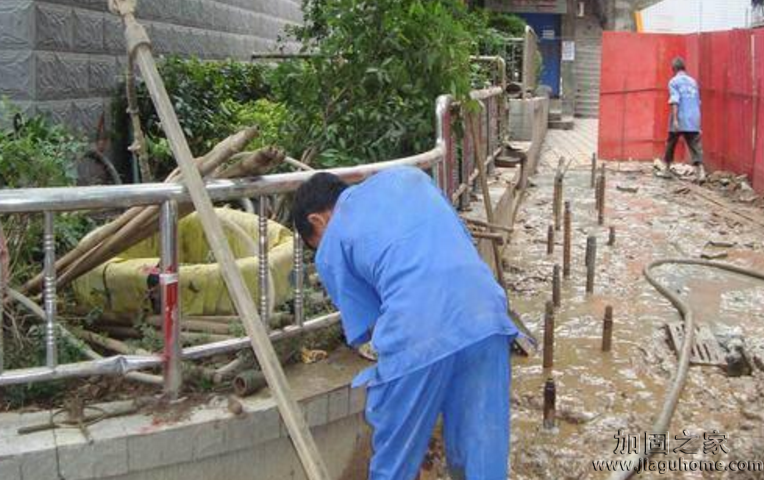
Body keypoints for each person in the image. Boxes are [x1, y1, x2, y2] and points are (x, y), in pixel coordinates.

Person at [292, 166, 518, 480]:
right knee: (483, 448)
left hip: (419, 330)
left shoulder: (332, 243)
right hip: (487, 315)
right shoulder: (409, 178)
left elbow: (367, 330)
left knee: (394, 460)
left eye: (315, 241)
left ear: (317, 220)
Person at [661, 56, 705, 182]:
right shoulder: (693, 82)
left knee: (671, 142)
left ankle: (667, 169)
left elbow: (675, 100)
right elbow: (698, 101)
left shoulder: (674, 81)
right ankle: (701, 172)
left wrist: (675, 120)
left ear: (673, 69)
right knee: (695, 145)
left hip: (680, 116)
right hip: (694, 117)